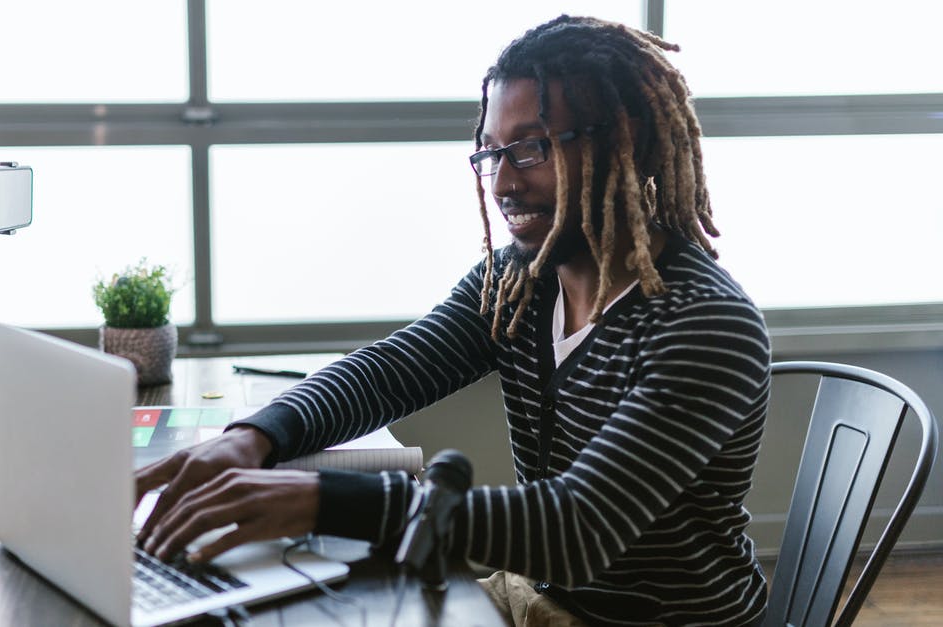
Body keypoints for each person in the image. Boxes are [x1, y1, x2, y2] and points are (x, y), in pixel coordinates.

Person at [135, 15, 770, 626]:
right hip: (534, 599)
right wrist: (255, 437)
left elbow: (577, 529)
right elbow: (391, 372)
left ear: (621, 140)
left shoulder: (705, 322)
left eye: (531, 148)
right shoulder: (518, 282)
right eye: (490, 152)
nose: (502, 183)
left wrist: (318, 501)